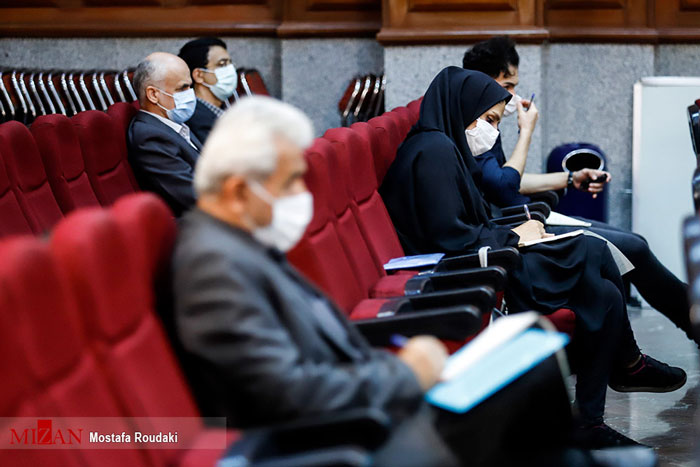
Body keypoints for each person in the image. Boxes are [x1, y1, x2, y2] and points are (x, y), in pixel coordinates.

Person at [170, 95, 648, 466]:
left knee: (530, 354)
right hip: (348, 438)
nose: (303, 195)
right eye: (291, 182)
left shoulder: (240, 243)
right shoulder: (213, 265)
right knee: (525, 385)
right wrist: (407, 372)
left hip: (371, 405)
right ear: (238, 190)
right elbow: (284, 393)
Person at [379, 66, 686, 448]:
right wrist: (514, 235)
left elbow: (470, 221)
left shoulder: (445, 146)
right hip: (467, 273)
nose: (492, 130)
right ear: (463, 108)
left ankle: (593, 418)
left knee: (604, 292)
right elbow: (451, 236)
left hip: (487, 256)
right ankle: (628, 365)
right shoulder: (433, 151)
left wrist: (517, 231)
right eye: (489, 119)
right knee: (593, 250)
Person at [461, 36, 695, 345]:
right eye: (507, 86)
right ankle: (688, 324)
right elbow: (503, 187)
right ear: (480, 82)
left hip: (527, 214)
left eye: (515, 86)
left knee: (636, 243)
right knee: (633, 249)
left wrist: (571, 178)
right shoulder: (476, 125)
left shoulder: (486, 121)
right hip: (514, 227)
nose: (513, 96)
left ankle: (690, 321)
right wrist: (527, 131)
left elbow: (509, 179)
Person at [128, 52, 201, 217]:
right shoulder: (150, 137)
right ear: (153, 94)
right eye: (182, 88)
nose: (190, 94)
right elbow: (193, 195)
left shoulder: (175, 124)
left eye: (190, 87)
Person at [178, 37, 238, 144]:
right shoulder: (194, 119)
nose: (230, 70)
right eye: (222, 64)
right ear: (199, 75)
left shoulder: (227, 110)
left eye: (230, 63)